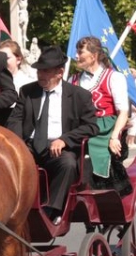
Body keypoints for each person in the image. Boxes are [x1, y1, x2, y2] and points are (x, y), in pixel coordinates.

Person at [7, 47, 98, 224]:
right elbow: (15, 120)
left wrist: (64, 139)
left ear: (60, 72)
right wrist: (17, 144)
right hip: (29, 146)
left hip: (58, 149)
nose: (41, 75)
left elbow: (91, 127)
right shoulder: (27, 92)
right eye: (39, 70)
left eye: (46, 71)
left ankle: (52, 210)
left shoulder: (79, 96)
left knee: (68, 164)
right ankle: (8, 208)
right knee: (5, 163)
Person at [69, 36, 132, 196]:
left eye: (80, 52)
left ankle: (108, 189)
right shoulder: (73, 80)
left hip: (106, 128)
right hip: (80, 128)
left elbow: (123, 111)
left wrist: (115, 137)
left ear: (94, 56)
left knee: (100, 149)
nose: (76, 56)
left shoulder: (113, 77)